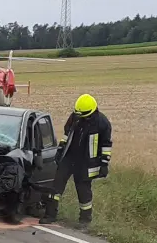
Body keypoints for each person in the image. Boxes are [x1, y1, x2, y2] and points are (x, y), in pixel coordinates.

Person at [44, 93, 112, 228]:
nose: (80, 117)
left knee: (83, 191)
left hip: (87, 162)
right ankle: (50, 215)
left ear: (92, 112)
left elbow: (106, 145)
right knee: (56, 186)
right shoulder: (75, 117)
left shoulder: (102, 123)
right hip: (69, 157)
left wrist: (104, 164)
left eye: (83, 115)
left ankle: (85, 220)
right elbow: (66, 134)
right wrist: (60, 150)